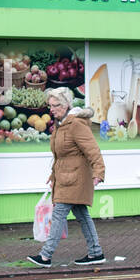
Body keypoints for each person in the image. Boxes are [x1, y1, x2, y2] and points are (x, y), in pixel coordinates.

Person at [28, 87, 106, 267]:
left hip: (75, 178)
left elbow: (92, 149)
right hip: (65, 177)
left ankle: (46, 256)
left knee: (59, 214)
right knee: (82, 215)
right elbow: (62, 155)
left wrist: (99, 173)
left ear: (66, 105)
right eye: (50, 106)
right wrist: (53, 174)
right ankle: (96, 252)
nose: (52, 109)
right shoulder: (61, 124)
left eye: (56, 105)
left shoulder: (76, 124)